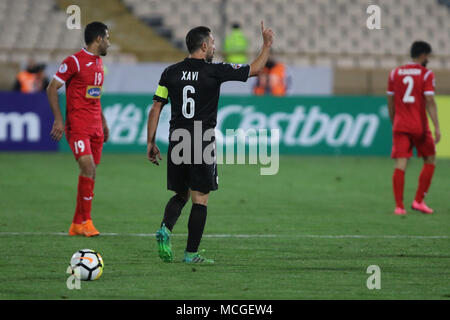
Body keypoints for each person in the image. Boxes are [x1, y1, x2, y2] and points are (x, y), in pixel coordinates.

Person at [147, 22, 274, 263]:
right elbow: (256, 69)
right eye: (213, 43)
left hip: (177, 137)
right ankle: (191, 254)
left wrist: (150, 143)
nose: (215, 46)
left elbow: (155, 108)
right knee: (201, 199)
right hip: (201, 138)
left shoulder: (169, 72)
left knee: (181, 193)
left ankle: (165, 228)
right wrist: (266, 44)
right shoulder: (214, 71)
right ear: (204, 46)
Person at [46, 22, 111, 236]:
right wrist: (58, 119)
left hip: (95, 126)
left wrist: (103, 121)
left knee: (90, 173)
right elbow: (52, 88)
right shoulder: (73, 61)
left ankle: (76, 223)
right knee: (88, 168)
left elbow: (95, 95)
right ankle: (86, 221)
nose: (109, 43)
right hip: (78, 127)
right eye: (107, 38)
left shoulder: (99, 63)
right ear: (98, 39)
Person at [387, 41, 440, 215]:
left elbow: (391, 101)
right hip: (419, 125)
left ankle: (399, 207)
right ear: (423, 55)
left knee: (401, 164)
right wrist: (437, 126)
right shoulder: (426, 74)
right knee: (430, 159)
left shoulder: (395, 73)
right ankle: (418, 201)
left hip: (400, 124)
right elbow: (430, 100)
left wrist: (393, 120)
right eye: (428, 56)